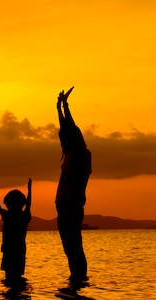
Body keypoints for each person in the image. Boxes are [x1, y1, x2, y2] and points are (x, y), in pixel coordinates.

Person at [56, 87, 92, 286]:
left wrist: (65, 109)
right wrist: (60, 108)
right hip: (64, 205)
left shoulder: (81, 154)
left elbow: (70, 128)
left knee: (74, 246)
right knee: (70, 247)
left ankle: (79, 281)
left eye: (64, 137)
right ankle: (76, 282)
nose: (61, 139)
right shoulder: (71, 153)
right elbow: (67, 129)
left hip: (71, 205)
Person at [0, 178, 32, 283]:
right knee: (17, 276)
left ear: (9, 204)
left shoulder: (9, 215)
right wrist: (30, 190)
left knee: (9, 277)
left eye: (7, 204)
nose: (6, 206)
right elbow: (28, 205)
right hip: (19, 249)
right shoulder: (23, 216)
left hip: (10, 250)